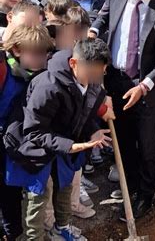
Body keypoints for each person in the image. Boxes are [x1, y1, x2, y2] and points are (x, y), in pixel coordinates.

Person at [89, 0, 155, 219]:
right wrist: (92, 32)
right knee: (124, 142)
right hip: (116, 83)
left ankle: (146, 196)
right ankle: (132, 188)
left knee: (147, 145)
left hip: (145, 88)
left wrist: (144, 86)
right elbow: (101, 20)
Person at [3, 38, 112, 240]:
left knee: (64, 185)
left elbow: (84, 115)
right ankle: (33, 237)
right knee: (38, 195)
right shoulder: (48, 86)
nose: (96, 78)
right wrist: (71, 145)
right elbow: (33, 131)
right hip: (34, 145)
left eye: (101, 72)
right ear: (74, 63)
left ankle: (61, 228)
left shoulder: (94, 85)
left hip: (64, 141)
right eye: (92, 72)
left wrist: (93, 131)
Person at [0, 25, 54, 241]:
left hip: (22, 141)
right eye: (35, 53)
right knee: (5, 190)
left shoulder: (41, 75)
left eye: (44, 53)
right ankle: (12, 232)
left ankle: (25, 232)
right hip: (4, 139)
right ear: (16, 50)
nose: (41, 59)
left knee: (21, 189)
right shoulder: (4, 72)